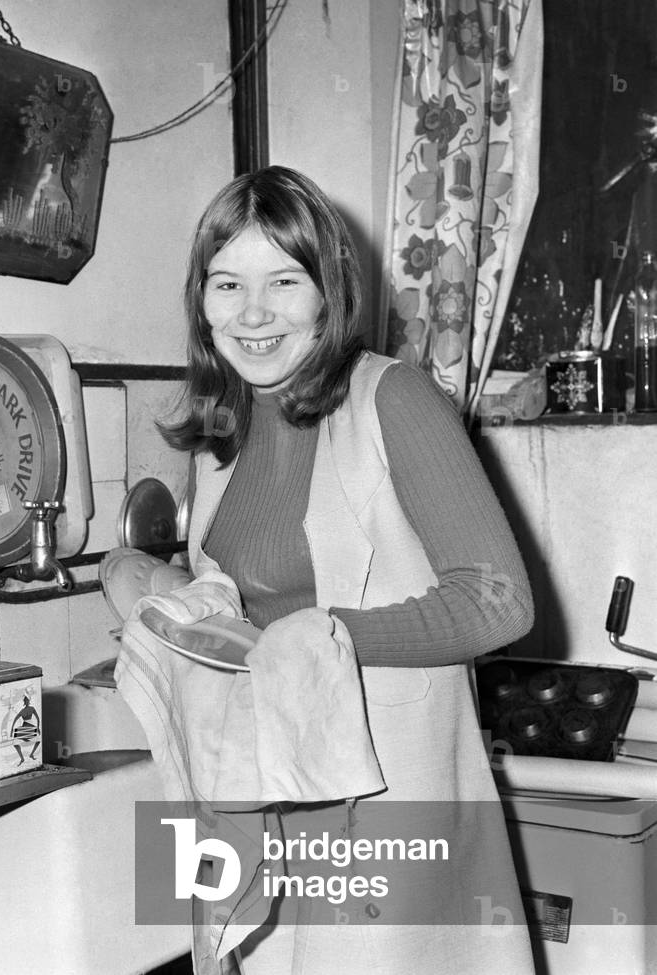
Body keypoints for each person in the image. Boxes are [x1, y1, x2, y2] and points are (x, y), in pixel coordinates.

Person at [149, 166, 535, 973]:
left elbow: (499, 602)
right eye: (227, 283)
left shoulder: (392, 399)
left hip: (386, 799)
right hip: (267, 795)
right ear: (201, 299)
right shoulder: (221, 433)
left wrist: (325, 636)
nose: (253, 313)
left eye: (283, 281)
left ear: (328, 291)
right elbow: (241, 606)